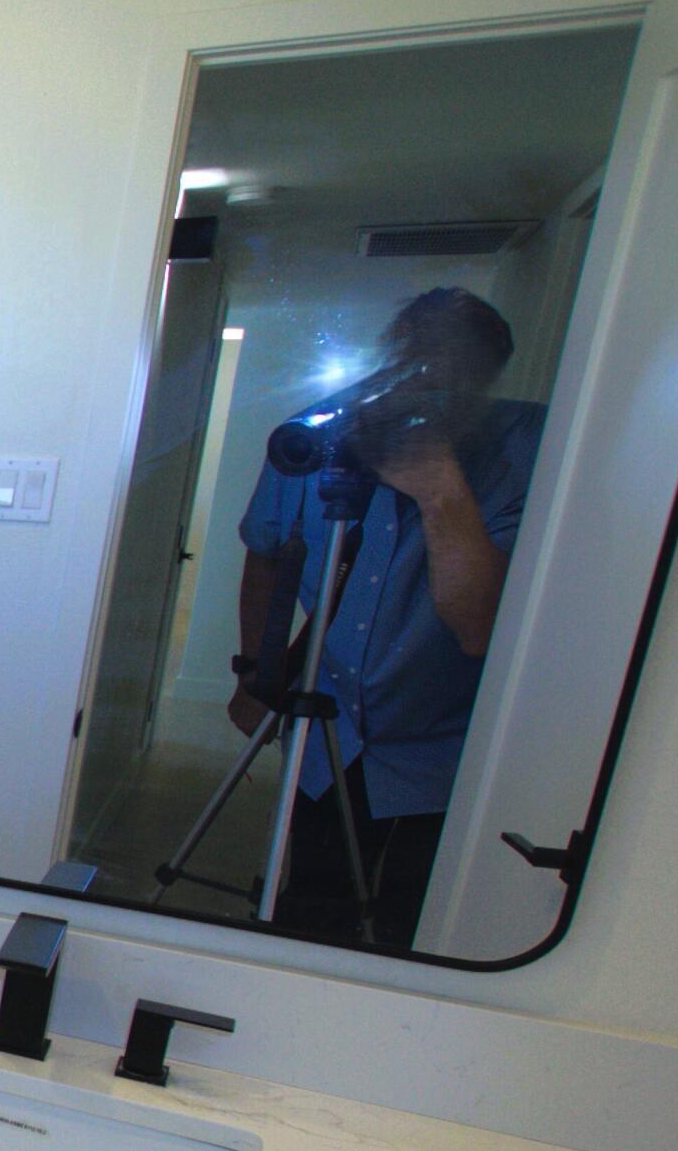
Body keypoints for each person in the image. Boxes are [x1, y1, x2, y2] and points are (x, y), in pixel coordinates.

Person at [226, 287, 541, 946]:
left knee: (404, 927)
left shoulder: (527, 451)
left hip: (440, 751)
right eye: (410, 361)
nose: (425, 385)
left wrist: (437, 485)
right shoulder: (322, 433)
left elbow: (478, 625)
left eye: (448, 369)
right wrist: (256, 668)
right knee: (307, 909)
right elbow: (268, 553)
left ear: (487, 376)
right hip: (325, 727)